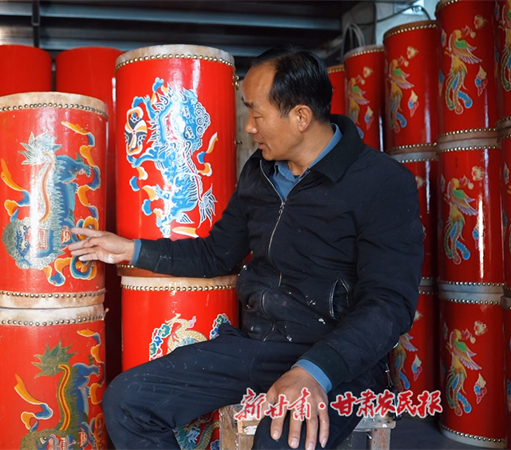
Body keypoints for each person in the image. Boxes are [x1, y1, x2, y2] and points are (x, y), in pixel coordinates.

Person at [68, 45, 424, 450]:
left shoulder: (381, 182)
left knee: (277, 441)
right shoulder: (260, 171)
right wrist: (131, 250)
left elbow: (389, 303)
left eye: (257, 114)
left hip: (339, 359)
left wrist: (314, 371)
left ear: (301, 117)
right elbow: (217, 253)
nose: (249, 128)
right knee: (127, 401)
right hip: (259, 344)